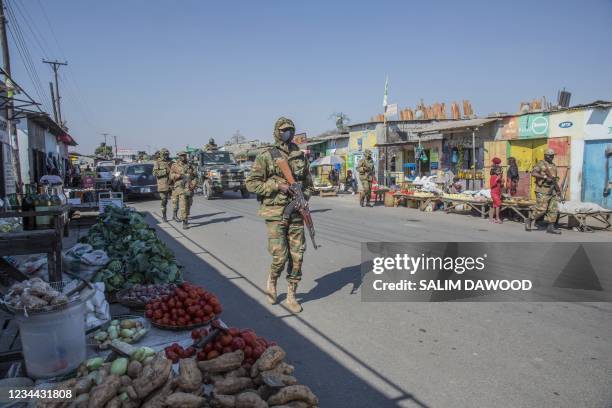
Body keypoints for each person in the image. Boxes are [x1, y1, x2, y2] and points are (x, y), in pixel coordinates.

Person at [245, 117, 313, 313]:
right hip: (275, 213)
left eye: (290, 130)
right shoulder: (266, 155)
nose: (288, 133)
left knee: (298, 255)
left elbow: (309, 184)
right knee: (280, 257)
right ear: (276, 131)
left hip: (297, 211)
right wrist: (277, 185)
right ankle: (272, 281)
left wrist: (303, 197)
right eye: (283, 130)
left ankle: (292, 294)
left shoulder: (300, 155)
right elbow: (251, 184)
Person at [527, 149, 561, 234]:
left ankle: (551, 227)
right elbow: (533, 173)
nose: (552, 157)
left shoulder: (553, 165)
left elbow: (554, 179)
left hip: (552, 190)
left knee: (553, 209)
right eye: (550, 156)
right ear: (546, 155)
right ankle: (529, 220)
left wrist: (558, 190)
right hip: (542, 190)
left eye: (553, 155)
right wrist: (545, 177)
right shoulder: (540, 164)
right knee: (541, 209)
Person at [170, 151, 198, 229]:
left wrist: (193, 184)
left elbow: (195, 176)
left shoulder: (190, 165)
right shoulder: (175, 165)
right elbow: (171, 176)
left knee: (189, 203)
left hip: (189, 187)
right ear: (178, 156)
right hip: (180, 187)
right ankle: (184, 222)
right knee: (183, 204)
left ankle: (186, 215)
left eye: (184, 155)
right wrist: (178, 175)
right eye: (181, 156)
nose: (183, 157)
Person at [153, 148, 173, 222]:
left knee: (176, 200)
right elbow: (155, 173)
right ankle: (164, 216)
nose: (166, 156)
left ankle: (175, 215)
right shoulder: (157, 162)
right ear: (161, 154)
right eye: (164, 154)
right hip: (163, 185)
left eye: (167, 154)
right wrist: (165, 171)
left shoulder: (171, 161)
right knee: (164, 200)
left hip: (172, 184)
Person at [489, 157, 504, 224]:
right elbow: (492, 185)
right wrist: (497, 180)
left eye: (500, 171)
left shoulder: (498, 176)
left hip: (498, 192)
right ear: (495, 171)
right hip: (494, 193)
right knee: (498, 205)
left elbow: (501, 185)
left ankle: (492, 218)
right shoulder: (493, 177)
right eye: (498, 171)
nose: (499, 172)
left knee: (495, 205)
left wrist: (502, 182)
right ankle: (497, 218)